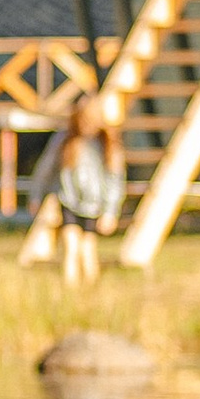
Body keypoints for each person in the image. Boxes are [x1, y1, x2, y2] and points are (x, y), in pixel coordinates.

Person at [55, 91, 124, 287]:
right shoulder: (67, 142)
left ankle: (91, 289)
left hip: (94, 205)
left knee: (87, 249)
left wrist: (110, 212)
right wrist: (37, 195)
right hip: (70, 201)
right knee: (71, 246)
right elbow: (48, 170)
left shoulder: (108, 145)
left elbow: (115, 181)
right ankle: (70, 290)